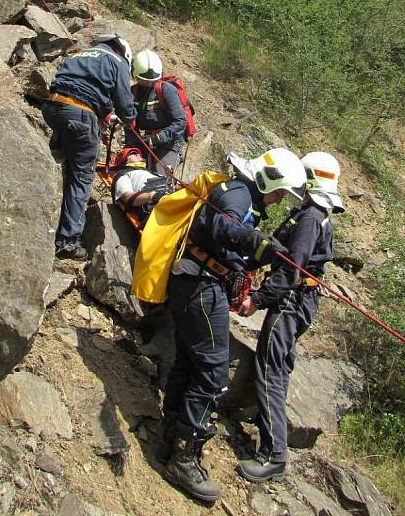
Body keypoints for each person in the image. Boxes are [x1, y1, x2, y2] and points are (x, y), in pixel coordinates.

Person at [159, 148, 307, 504]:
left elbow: (223, 232)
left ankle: (171, 437)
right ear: (268, 181)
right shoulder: (239, 197)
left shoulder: (238, 191)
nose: (278, 199)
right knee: (212, 373)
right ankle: (184, 456)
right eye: (280, 192)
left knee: (190, 361)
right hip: (201, 288)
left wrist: (249, 255)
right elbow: (224, 227)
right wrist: (257, 242)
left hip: (193, 282)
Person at [236, 151, 344, 484]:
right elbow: (277, 248)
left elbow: (292, 270)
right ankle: (274, 439)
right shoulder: (310, 213)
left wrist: (257, 299)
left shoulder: (311, 217)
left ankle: (273, 456)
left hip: (291, 302)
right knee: (277, 366)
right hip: (297, 301)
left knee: (269, 368)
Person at [41, 34, 136, 259]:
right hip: (79, 116)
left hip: (53, 108)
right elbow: (125, 105)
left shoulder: (82, 53)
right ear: (126, 53)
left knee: (63, 161)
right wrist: (131, 119)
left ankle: (48, 217)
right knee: (81, 176)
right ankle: (67, 241)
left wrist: (101, 111)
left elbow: (83, 86)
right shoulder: (118, 62)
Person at [127, 49, 186, 175]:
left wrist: (160, 138)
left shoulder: (166, 91)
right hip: (144, 141)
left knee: (159, 178)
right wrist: (132, 150)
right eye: (144, 80)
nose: (149, 83)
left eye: (152, 81)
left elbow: (180, 121)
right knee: (128, 174)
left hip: (169, 145)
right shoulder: (133, 93)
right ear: (135, 76)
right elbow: (130, 126)